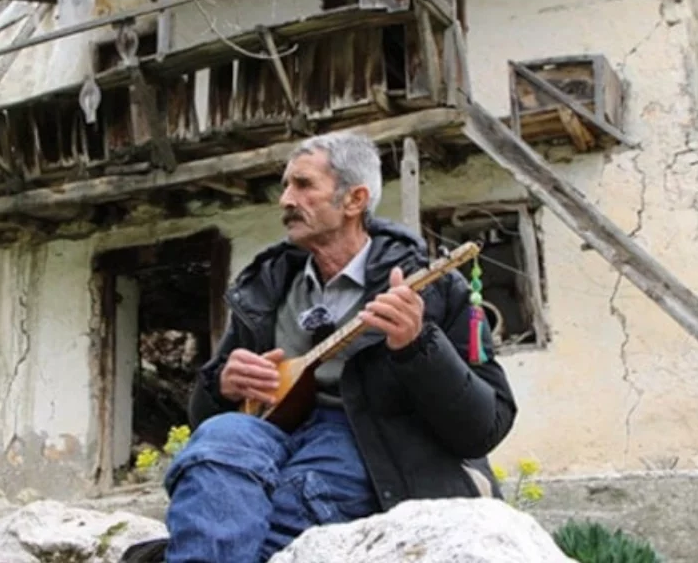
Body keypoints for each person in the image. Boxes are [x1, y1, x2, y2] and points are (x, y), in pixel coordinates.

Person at [123, 131, 517, 563]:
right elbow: (203, 417)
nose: (285, 199)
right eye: (286, 185)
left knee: (288, 504)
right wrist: (223, 385)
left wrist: (418, 344)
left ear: (354, 200)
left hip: (368, 444)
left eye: (303, 185)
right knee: (217, 441)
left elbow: (486, 425)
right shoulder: (266, 289)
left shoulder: (436, 289)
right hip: (272, 433)